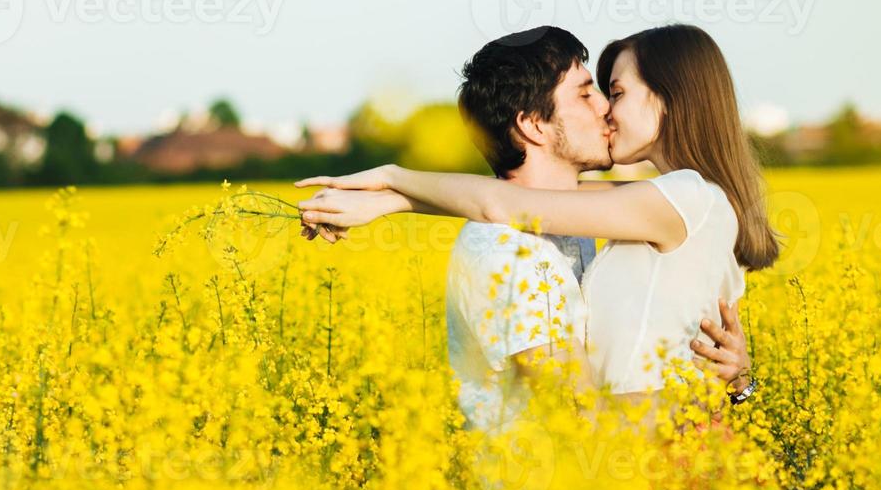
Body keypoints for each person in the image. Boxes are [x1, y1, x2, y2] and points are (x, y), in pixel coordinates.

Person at [298, 24, 772, 428]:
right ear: (534, 126)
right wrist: (391, 199)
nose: (606, 108)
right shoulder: (510, 250)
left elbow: (501, 203)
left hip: (646, 469)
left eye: (615, 92)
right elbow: (502, 207)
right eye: (589, 93)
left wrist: (392, 181)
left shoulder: (671, 200)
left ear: (671, 99)